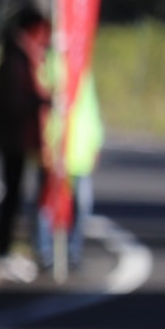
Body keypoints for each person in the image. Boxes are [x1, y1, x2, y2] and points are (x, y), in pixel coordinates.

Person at [0, 5, 52, 283]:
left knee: (14, 193)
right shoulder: (17, 58)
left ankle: (4, 252)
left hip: (15, 136)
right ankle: (2, 254)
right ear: (33, 29)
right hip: (14, 137)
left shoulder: (18, 54)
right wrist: (42, 101)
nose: (46, 38)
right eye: (43, 31)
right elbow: (15, 101)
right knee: (11, 194)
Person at [36, 55, 104, 275]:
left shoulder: (83, 66)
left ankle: (74, 251)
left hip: (79, 151)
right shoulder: (47, 63)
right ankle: (45, 251)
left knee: (82, 203)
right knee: (46, 204)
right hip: (53, 147)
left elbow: (90, 109)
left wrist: (96, 142)